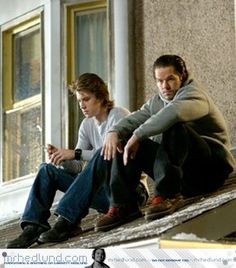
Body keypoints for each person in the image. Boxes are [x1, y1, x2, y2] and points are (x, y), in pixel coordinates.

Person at [94, 54, 236, 231]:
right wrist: (113, 132)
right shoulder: (157, 102)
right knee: (123, 139)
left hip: (210, 171)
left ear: (182, 77)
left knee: (174, 125)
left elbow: (175, 113)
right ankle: (124, 205)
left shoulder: (195, 95)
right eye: (160, 81)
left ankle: (167, 195)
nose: (165, 86)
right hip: (182, 179)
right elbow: (135, 118)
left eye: (170, 79)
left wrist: (138, 135)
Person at [6, 73, 149, 248]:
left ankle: (67, 220)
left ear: (101, 97)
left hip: (130, 193)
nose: (82, 105)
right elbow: (78, 166)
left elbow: (108, 153)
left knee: (103, 151)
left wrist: (75, 153)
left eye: (86, 99)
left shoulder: (118, 114)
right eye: (79, 100)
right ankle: (33, 227)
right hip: (103, 196)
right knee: (46, 170)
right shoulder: (86, 125)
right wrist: (61, 158)